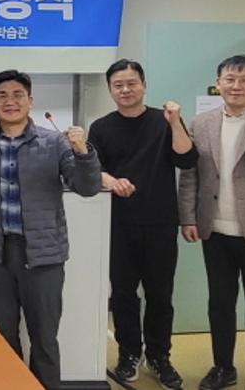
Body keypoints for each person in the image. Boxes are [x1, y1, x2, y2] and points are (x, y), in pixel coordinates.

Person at [0, 70, 101, 390]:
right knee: (2, 334)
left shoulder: (54, 142)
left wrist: (83, 152)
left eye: (18, 95)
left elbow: (87, 187)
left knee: (44, 337)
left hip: (43, 254)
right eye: (2, 95)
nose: (10, 101)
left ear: (30, 101)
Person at [88, 59, 197, 388]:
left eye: (131, 83)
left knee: (160, 294)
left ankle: (160, 356)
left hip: (160, 222)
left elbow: (187, 158)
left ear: (144, 85)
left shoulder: (164, 121)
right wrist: (112, 180)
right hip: (119, 224)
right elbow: (93, 169)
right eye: (118, 85)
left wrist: (176, 123)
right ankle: (129, 354)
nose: (125, 89)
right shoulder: (101, 127)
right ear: (110, 90)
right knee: (123, 294)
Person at [179, 55, 245, 390]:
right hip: (215, 229)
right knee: (220, 304)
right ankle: (223, 368)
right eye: (230, 79)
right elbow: (190, 174)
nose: (236, 86)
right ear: (218, 83)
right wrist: (187, 216)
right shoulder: (201, 123)